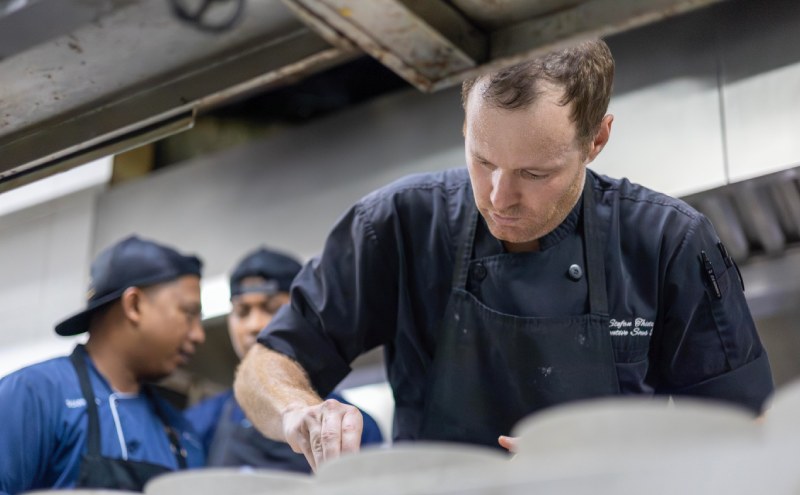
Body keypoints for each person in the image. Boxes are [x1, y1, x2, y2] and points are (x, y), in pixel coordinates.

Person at [234, 40, 774, 471]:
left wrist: (618, 458)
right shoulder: (399, 224)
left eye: (534, 173)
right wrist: (298, 413)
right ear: (465, 126)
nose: (498, 196)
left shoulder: (667, 242)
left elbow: (750, 435)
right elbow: (264, 366)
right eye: (483, 160)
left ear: (597, 139)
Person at [0, 235, 206, 495]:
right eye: (189, 314)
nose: (198, 335)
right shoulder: (34, 396)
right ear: (134, 305)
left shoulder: (182, 434)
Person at [185, 246, 383, 472]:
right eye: (242, 311)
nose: (254, 325)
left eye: (272, 309)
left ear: (304, 318)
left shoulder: (351, 427)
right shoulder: (198, 423)